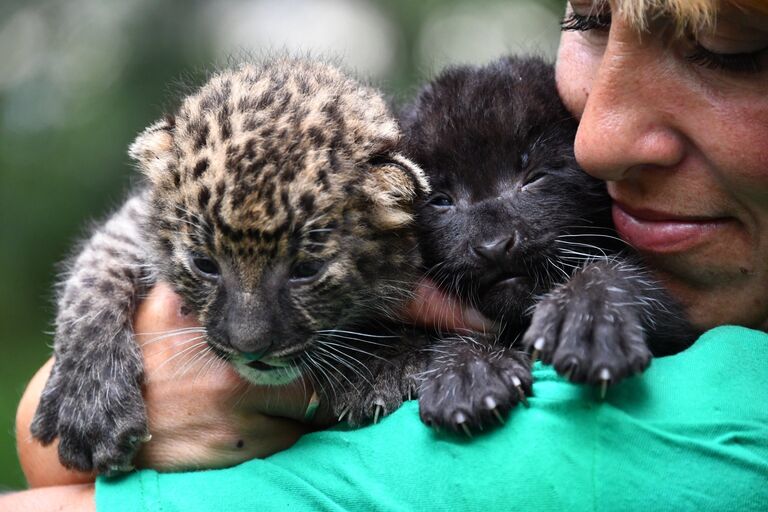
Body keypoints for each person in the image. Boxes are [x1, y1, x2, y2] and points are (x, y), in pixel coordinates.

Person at [5, 0, 768, 509]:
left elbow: (50, 465)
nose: (597, 142)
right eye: (589, 18)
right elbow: (120, 258)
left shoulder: (722, 434)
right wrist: (91, 350)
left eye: (731, 48)